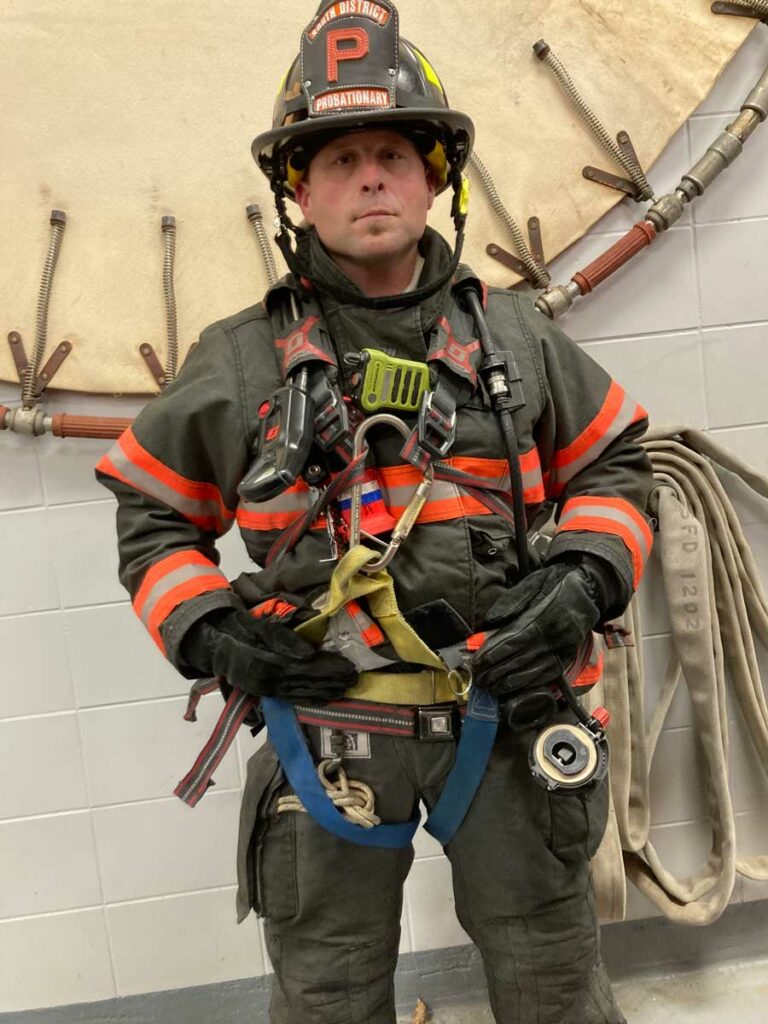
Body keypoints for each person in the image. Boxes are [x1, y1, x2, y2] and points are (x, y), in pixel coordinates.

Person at [97, 2, 653, 1021]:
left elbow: (619, 467)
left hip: (509, 708)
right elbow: (152, 521)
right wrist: (220, 633)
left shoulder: (520, 337)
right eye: (339, 158)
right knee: (326, 991)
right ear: (298, 192)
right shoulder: (235, 362)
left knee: (553, 978)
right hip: (326, 729)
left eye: (392, 152)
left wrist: (579, 581)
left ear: (433, 178)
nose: (368, 178)